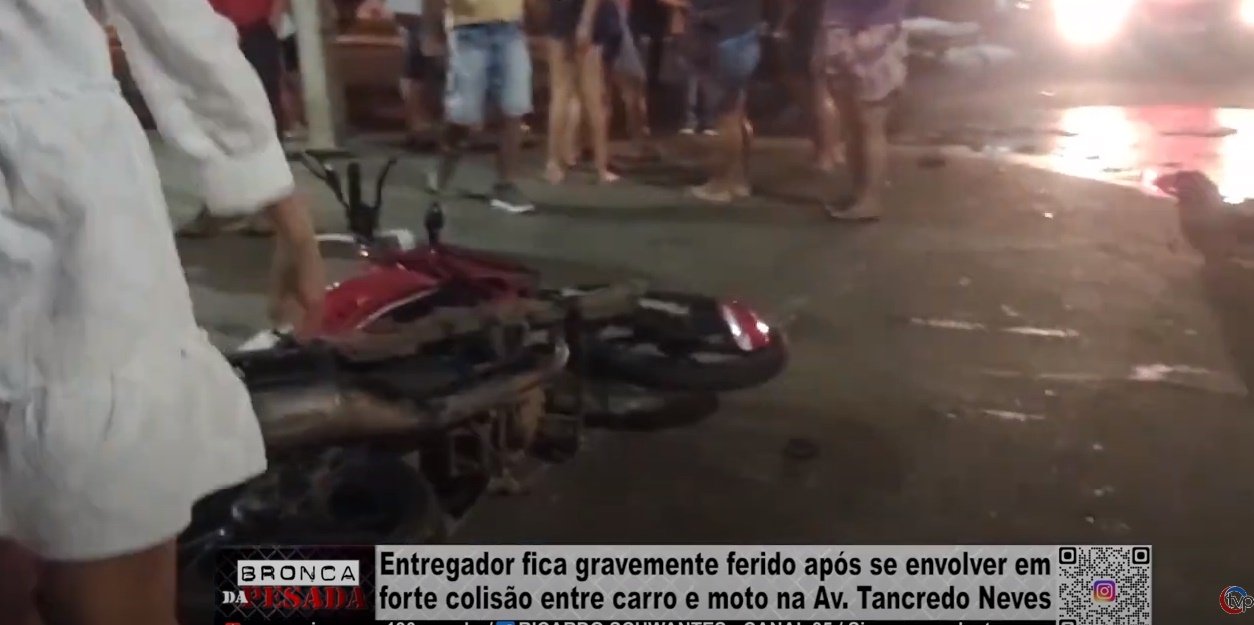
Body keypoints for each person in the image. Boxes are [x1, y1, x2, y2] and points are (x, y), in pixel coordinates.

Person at [0, 1, 326, 625]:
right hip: (57, 219)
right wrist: (282, 204)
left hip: (46, 193)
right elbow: (173, 21)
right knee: (113, 586)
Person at [178, 0, 291, 236]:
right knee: (210, 116)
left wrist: (274, 20)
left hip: (254, 28)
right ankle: (217, 204)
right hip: (209, 29)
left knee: (264, 115)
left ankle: (268, 207)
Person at [426, 0, 536, 214]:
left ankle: (505, 185)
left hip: (511, 27)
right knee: (463, 115)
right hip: (468, 29)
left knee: (514, 106)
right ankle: (444, 165)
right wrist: (432, 32)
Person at [817, 0, 908, 222]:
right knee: (854, 124)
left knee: (869, 122)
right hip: (843, 28)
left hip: (873, 30)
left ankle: (870, 199)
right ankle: (860, 193)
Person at [684, 0, 763, 203]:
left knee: (726, 117)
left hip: (724, 40)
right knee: (738, 113)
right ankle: (739, 180)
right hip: (747, 36)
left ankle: (722, 184)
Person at [545, 0, 618, 183]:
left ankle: (553, 163)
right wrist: (586, 22)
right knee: (593, 98)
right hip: (582, 18)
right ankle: (601, 167)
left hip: (559, 15)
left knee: (560, 93)